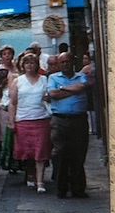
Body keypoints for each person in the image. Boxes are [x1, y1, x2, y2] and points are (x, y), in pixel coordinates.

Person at [47, 52, 90, 199]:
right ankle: (61, 188)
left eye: (67, 61)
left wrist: (63, 88)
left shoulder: (81, 76)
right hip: (60, 121)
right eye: (62, 62)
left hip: (79, 120)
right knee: (60, 154)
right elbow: (52, 94)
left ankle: (78, 188)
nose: (65, 64)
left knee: (78, 154)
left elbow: (80, 88)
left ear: (72, 62)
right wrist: (71, 89)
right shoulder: (53, 78)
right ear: (59, 64)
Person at [7, 53, 52, 193]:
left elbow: (50, 96)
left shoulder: (44, 79)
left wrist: (49, 97)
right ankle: (30, 175)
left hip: (41, 119)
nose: (29, 65)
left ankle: (40, 182)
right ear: (23, 65)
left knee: (40, 152)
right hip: (23, 120)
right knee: (28, 153)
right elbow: (12, 103)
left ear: (36, 64)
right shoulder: (18, 81)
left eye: (32, 63)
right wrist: (12, 121)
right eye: (27, 63)